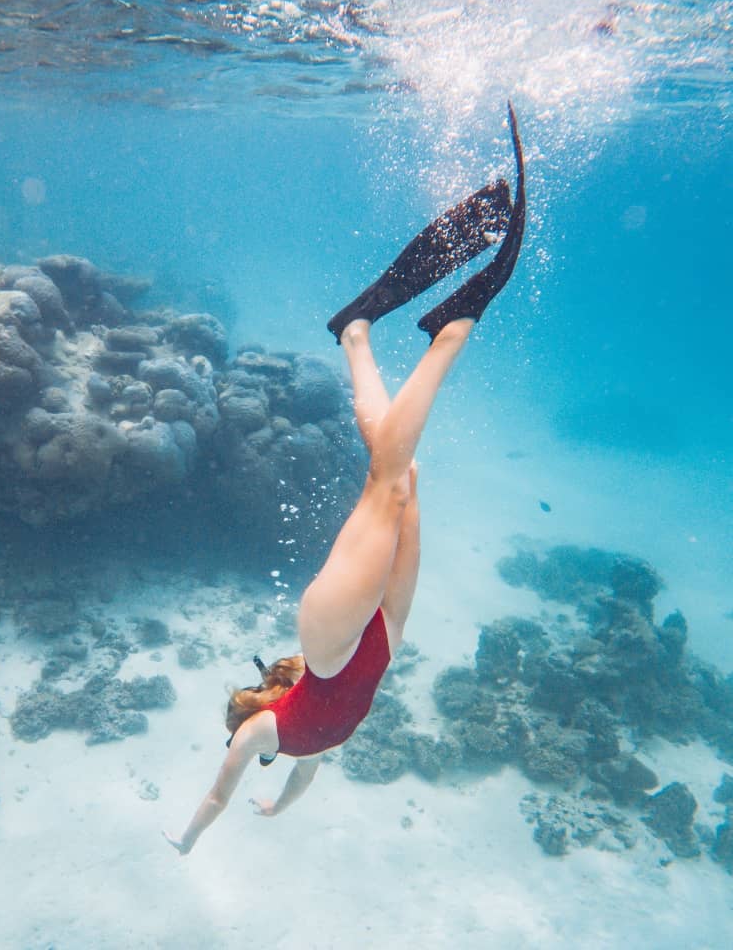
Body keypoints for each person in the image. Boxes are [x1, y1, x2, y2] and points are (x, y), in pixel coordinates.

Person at [165, 103, 525, 855]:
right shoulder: (304, 755)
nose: (250, 742)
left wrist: (187, 840)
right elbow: (303, 779)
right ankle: (357, 335)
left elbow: (214, 789)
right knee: (406, 475)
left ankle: (451, 330)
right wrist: (281, 810)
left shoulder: (264, 728)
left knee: (388, 481)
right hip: (385, 640)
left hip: (331, 646)